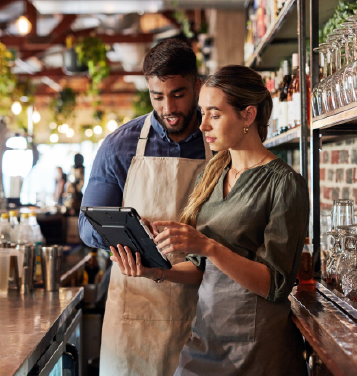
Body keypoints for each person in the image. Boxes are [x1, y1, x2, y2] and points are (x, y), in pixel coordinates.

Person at [111, 65, 309, 376]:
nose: (202, 125)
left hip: (255, 347)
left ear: (248, 115)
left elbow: (276, 285)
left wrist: (208, 246)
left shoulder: (284, 183)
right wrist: (156, 271)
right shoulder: (212, 173)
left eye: (214, 114)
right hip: (205, 335)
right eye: (202, 113)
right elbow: (199, 269)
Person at [78, 39, 212, 376]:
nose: (169, 107)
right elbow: (86, 224)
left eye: (179, 94)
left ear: (197, 86)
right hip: (135, 313)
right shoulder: (120, 145)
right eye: (157, 96)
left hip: (203, 309)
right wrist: (129, 233)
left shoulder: (218, 141)